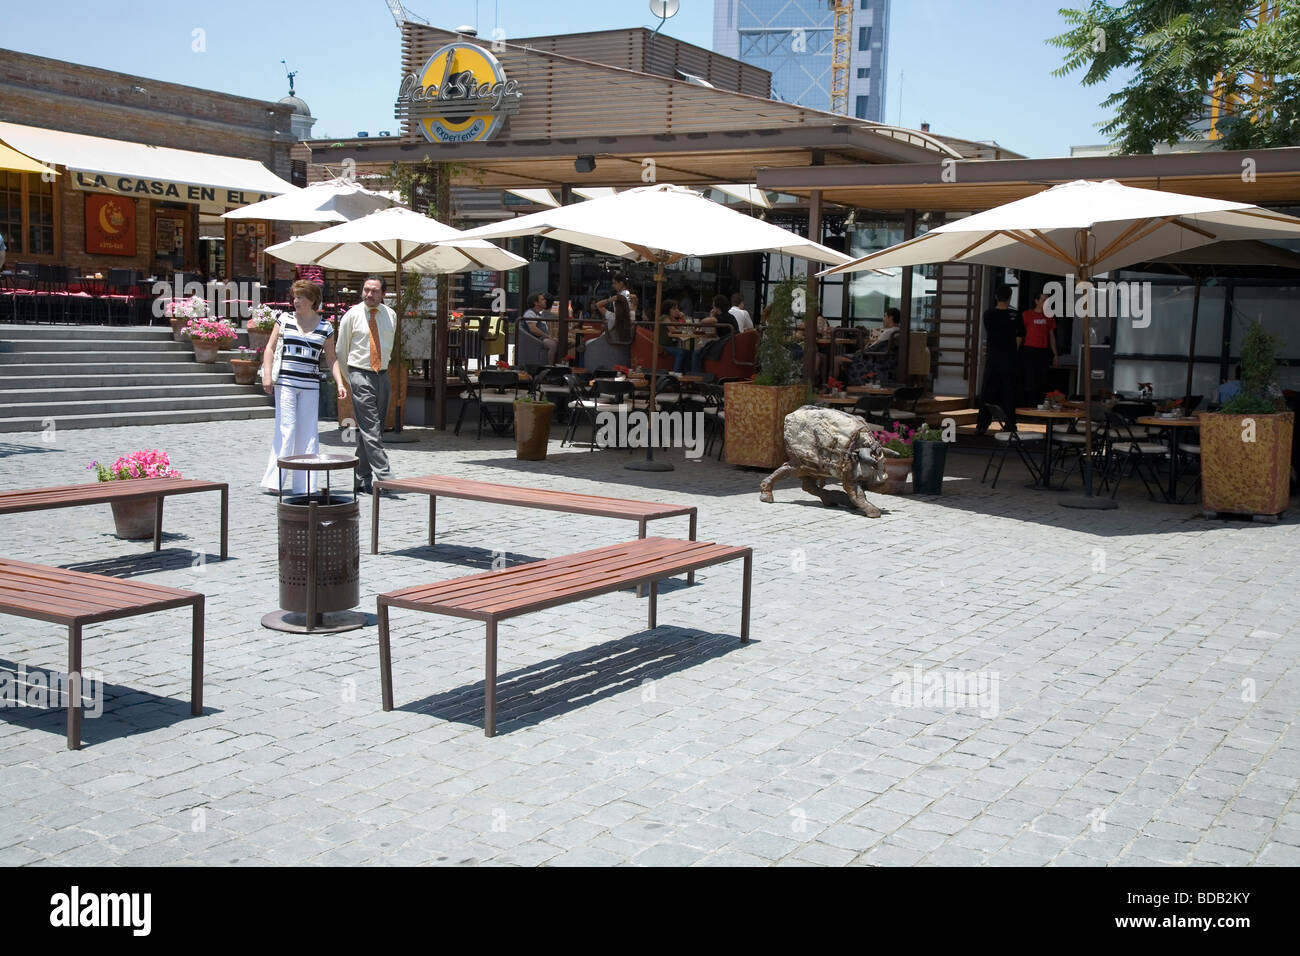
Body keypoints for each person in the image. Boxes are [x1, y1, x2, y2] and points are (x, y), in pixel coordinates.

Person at [259, 280, 347, 494]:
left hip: (310, 385)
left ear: (312, 300)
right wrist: (267, 375)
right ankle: (275, 481)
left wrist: (340, 382)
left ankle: (306, 484)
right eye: (295, 296)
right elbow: (270, 348)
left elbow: (331, 358)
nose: (296, 301)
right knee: (286, 429)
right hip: (286, 383)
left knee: (308, 433)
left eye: (301, 297)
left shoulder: (325, 327)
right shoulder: (284, 319)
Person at [336, 276, 396, 494]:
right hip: (360, 374)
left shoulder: (391, 315)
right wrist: (350, 378)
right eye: (366, 290)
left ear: (383, 294)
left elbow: (388, 347)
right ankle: (387, 478)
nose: (369, 294)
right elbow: (341, 350)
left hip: (383, 375)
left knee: (371, 429)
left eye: (374, 291)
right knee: (371, 429)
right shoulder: (351, 316)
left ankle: (361, 478)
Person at [975, 284, 1026, 434]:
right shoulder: (1015, 315)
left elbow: (990, 331)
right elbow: (1020, 337)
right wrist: (1012, 350)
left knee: (987, 391)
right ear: (1010, 297)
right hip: (1009, 357)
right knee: (1009, 391)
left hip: (993, 356)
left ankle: (982, 424)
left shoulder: (988, 314)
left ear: (996, 297)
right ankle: (1010, 424)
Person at [836, 307, 901, 385]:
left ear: (890, 318)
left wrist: (860, 351)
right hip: (881, 360)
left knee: (836, 359)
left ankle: (833, 386)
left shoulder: (888, 333)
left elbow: (873, 347)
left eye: (885, 316)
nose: (883, 319)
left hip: (870, 358)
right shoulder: (897, 331)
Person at [1020, 290, 1057, 406]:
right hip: (1029, 350)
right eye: (1043, 300)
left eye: (1047, 300)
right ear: (1036, 301)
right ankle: (1029, 405)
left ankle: (1039, 405)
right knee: (1029, 378)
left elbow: (1051, 336)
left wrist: (1055, 354)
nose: (1046, 302)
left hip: (1043, 351)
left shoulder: (1049, 316)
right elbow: (1020, 334)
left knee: (1042, 379)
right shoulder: (1026, 315)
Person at [522, 291, 559, 364]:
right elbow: (533, 329)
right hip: (535, 340)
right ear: (536, 303)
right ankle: (550, 366)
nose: (545, 301)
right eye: (542, 299)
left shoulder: (538, 314)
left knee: (562, 342)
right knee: (552, 344)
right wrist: (548, 336)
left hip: (540, 338)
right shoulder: (530, 313)